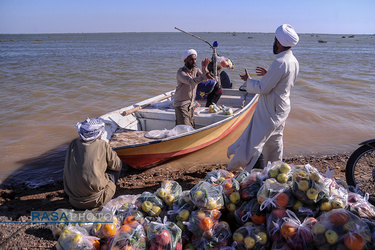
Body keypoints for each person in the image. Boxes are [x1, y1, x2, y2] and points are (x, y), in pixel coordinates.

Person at [227, 24, 299, 172]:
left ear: (279, 43)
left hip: (271, 108)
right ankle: (275, 170)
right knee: (275, 141)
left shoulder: (280, 63)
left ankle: (242, 169)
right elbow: (282, 83)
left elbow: (262, 88)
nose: (273, 43)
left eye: (274, 40)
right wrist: (269, 75)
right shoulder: (293, 61)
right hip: (282, 106)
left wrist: (248, 81)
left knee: (254, 141)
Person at [63, 117, 122, 210]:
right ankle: (103, 200)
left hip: (73, 200)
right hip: (96, 201)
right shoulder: (102, 144)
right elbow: (117, 166)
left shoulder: (73, 143)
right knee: (114, 169)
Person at [174, 49, 214, 127]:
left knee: (191, 127)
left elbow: (205, 77)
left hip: (191, 105)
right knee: (184, 129)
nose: (194, 61)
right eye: (191, 59)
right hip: (181, 105)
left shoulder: (195, 69)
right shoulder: (181, 72)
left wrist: (204, 67)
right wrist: (204, 76)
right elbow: (191, 81)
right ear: (185, 60)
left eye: (195, 59)